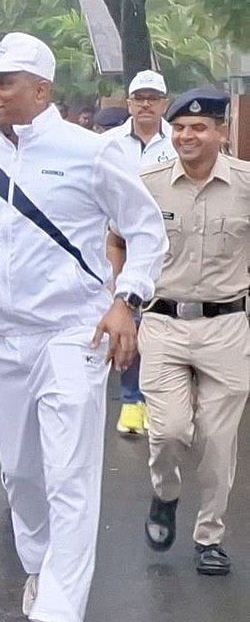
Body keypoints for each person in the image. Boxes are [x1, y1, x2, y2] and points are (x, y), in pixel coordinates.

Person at [0, 32, 167, 622]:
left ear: (42, 89)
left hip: (72, 333)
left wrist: (127, 300)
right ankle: (41, 566)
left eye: (4, 81)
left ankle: (62, 613)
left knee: (69, 473)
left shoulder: (90, 152)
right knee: (21, 472)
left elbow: (146, 231)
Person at [117, 88, 248, 576]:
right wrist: (122, 305)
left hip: (228, 325)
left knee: (218, 440)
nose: (187, 135)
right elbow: (116, 240)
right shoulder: (148, 184)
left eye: (199, 128)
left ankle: (209, 537)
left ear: (221, 132)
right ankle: (166, 493)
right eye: (180, 128)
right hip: (164, 322)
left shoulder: (246, 184)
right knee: (168, 430)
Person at [103, 70, 177, 437]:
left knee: (161, 323)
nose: (146, 104)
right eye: (139, 97)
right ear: (128, 102)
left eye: (153, 98)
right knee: (128, 319)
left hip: (172, 243)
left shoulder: (178, 140)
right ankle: (131, 401)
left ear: (164, 103)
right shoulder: (108, 144)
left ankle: (156, 399)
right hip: (123, 242)